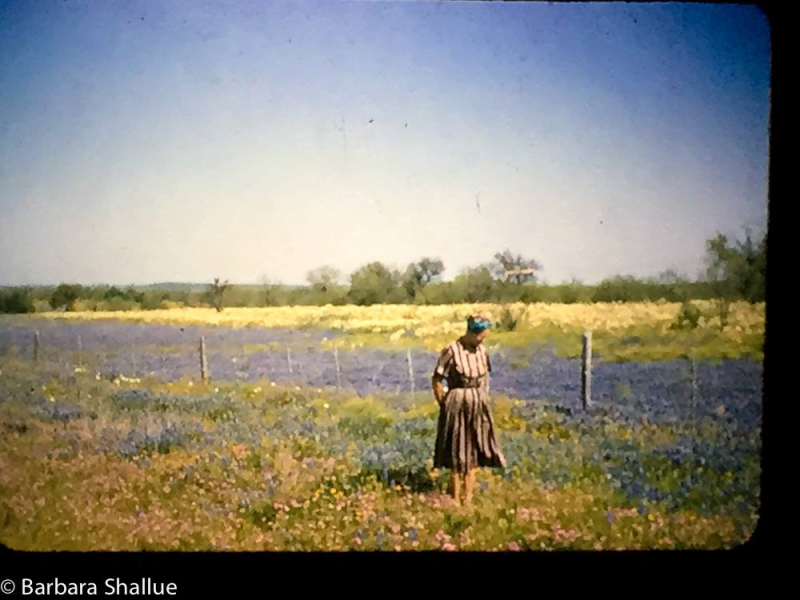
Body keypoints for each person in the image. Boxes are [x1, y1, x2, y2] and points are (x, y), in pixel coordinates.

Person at [431, 315, 506, 507]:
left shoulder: (482, 351)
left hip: (477, 402)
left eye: (484, 334)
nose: (482, 338)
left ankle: (469, 499)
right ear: (471, 332)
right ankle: (455, 499)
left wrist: (483, 399)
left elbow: (485, 378)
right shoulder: (452, 350)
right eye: (479, 334)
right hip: (457, 401)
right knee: (458, 451)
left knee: (474, 450)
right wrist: (444, 403)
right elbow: (438, 379)